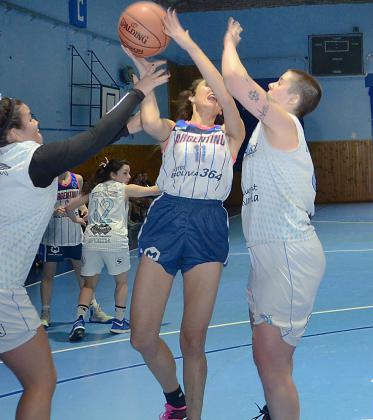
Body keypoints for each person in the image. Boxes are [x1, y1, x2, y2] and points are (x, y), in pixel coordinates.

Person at [0, 66, 168, 420]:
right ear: (13, 132)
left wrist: (130, 127)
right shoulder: (31, 159)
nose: (37, 123)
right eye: (30, 119)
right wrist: (138, 91)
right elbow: (94, 137)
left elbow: (85, 146)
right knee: (41, 381)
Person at [124, 10, 245, 420]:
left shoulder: (231, 134)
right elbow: (151, 120)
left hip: (208, 224)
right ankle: (175, 397)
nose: (212, 92)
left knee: (193, 340)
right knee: (142, 337)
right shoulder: (172, 131)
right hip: (167, 219)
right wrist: (145, 76)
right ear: (191, 98)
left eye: (214, 89)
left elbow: (226, 92)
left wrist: (187, 42)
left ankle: (194, 416)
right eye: (204, 89)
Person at [222, 17, 325, 420]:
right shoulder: (266, 130)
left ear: (294, 97)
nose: (270, 85)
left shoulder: (284, 122)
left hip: (287, 255)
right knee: (269, 360)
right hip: (268, 254)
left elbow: (235, 80)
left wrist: (229, 41)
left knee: (272, 365)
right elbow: (229, 87)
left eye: (279, 82)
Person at [64, 158, 160, 341]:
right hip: (114, 240)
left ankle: (79, 321)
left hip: (92, 240)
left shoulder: (94, 190)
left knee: (88, 285)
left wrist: (77, 220)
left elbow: (69, 207)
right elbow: (155, 190)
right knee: (121, 282)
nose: (129, 176)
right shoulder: (125, 188)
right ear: (113, 174)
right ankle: (119, 322)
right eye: (125, 173)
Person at [37, 170, 112, 328]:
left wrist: (84, 209)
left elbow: (79, 200)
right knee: (48, 275)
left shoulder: (77, 178)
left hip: (75, 235)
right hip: (53, 236)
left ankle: (94, 310)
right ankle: (45, 313)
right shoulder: (47, 181)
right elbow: (37, 206)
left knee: (84, 275)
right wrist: (51, 211)